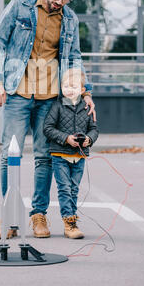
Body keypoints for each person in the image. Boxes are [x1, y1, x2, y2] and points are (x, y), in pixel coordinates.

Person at [0, 0, 96, 239]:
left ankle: (39, 216)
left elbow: (74, 59)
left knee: (44, 157)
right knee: (9, 155)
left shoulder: (70, 19)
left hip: (49, 98)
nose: (59, 2)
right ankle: (9, 218)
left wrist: (85, 92)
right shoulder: (19, 5)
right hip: (17, 92)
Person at [43, 68, 99, 239]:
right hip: (60, 155)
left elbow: (94, 129)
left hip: (79, 157)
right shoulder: (57, 106)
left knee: (74, 189)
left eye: (73, 86)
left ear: (82, 90)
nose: (68, 89)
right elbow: (47, 128)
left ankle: (72, 220)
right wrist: (65, 138)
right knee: (65, 189)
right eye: (65, 86)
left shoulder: (87, 108)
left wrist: (89, 139)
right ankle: (69, 222)